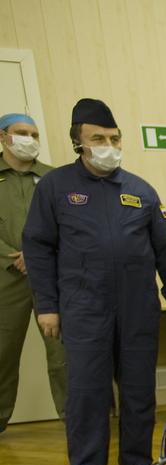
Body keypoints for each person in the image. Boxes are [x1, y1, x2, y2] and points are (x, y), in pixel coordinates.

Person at [23, 98, 166, 465]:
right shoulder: (55, 187)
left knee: (137, 388)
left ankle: (135, 459)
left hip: (137, 308)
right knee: (87, 389)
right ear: (77, 142)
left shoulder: (140, 190)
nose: (108, 145)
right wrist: (46, 306)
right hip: (83, 307)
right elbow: (38, 248)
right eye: (98, 138)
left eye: (114, 138)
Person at [0, 112, 65, 434]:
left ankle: (74, 420)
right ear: (3, 137)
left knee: (62, 355)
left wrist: (37, 255)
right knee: (3, 354)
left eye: (35, 134)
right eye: (21, 132)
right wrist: (12, 256)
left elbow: (68, 225)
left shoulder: (54, 179)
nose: (30, 139)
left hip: (51, 280)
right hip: (5, 279)